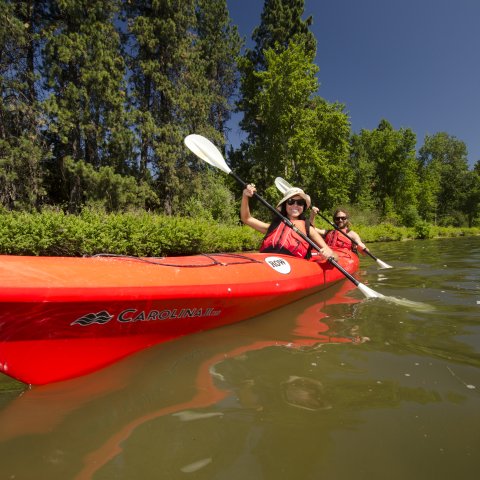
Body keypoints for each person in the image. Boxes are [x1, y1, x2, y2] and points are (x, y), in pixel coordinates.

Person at [240, 184, 337, 260]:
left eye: (300, 203)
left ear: (303, 207)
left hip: (293, 268)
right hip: (266, 262)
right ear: (285, 205)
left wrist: (329, 254)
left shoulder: (308, 229)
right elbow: (246, 218)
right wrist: (245, 196)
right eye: (291, 201)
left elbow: (334, 255)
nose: (295, 205)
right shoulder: (275, 226)